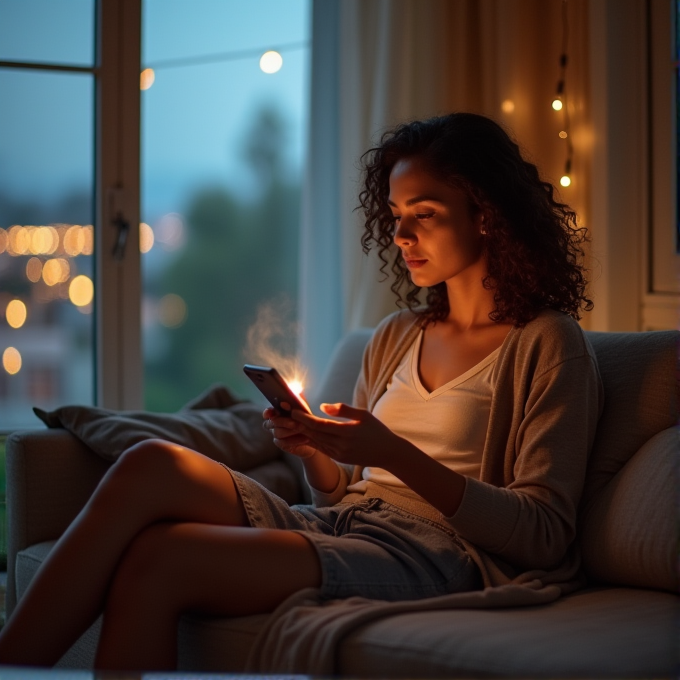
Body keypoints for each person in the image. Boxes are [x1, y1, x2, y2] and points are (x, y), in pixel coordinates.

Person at [0, 112, 602, 671]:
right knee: (148, 462)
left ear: (485, 212)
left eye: (424, 212)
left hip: (438, 553)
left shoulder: (548, 343)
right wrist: (314, 448)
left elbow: (544, 534)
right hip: (344, 522)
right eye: (393, 213)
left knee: (161, 559)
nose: (399, 233)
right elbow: (345, 490)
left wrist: (393, 451)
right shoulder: (397, 334)